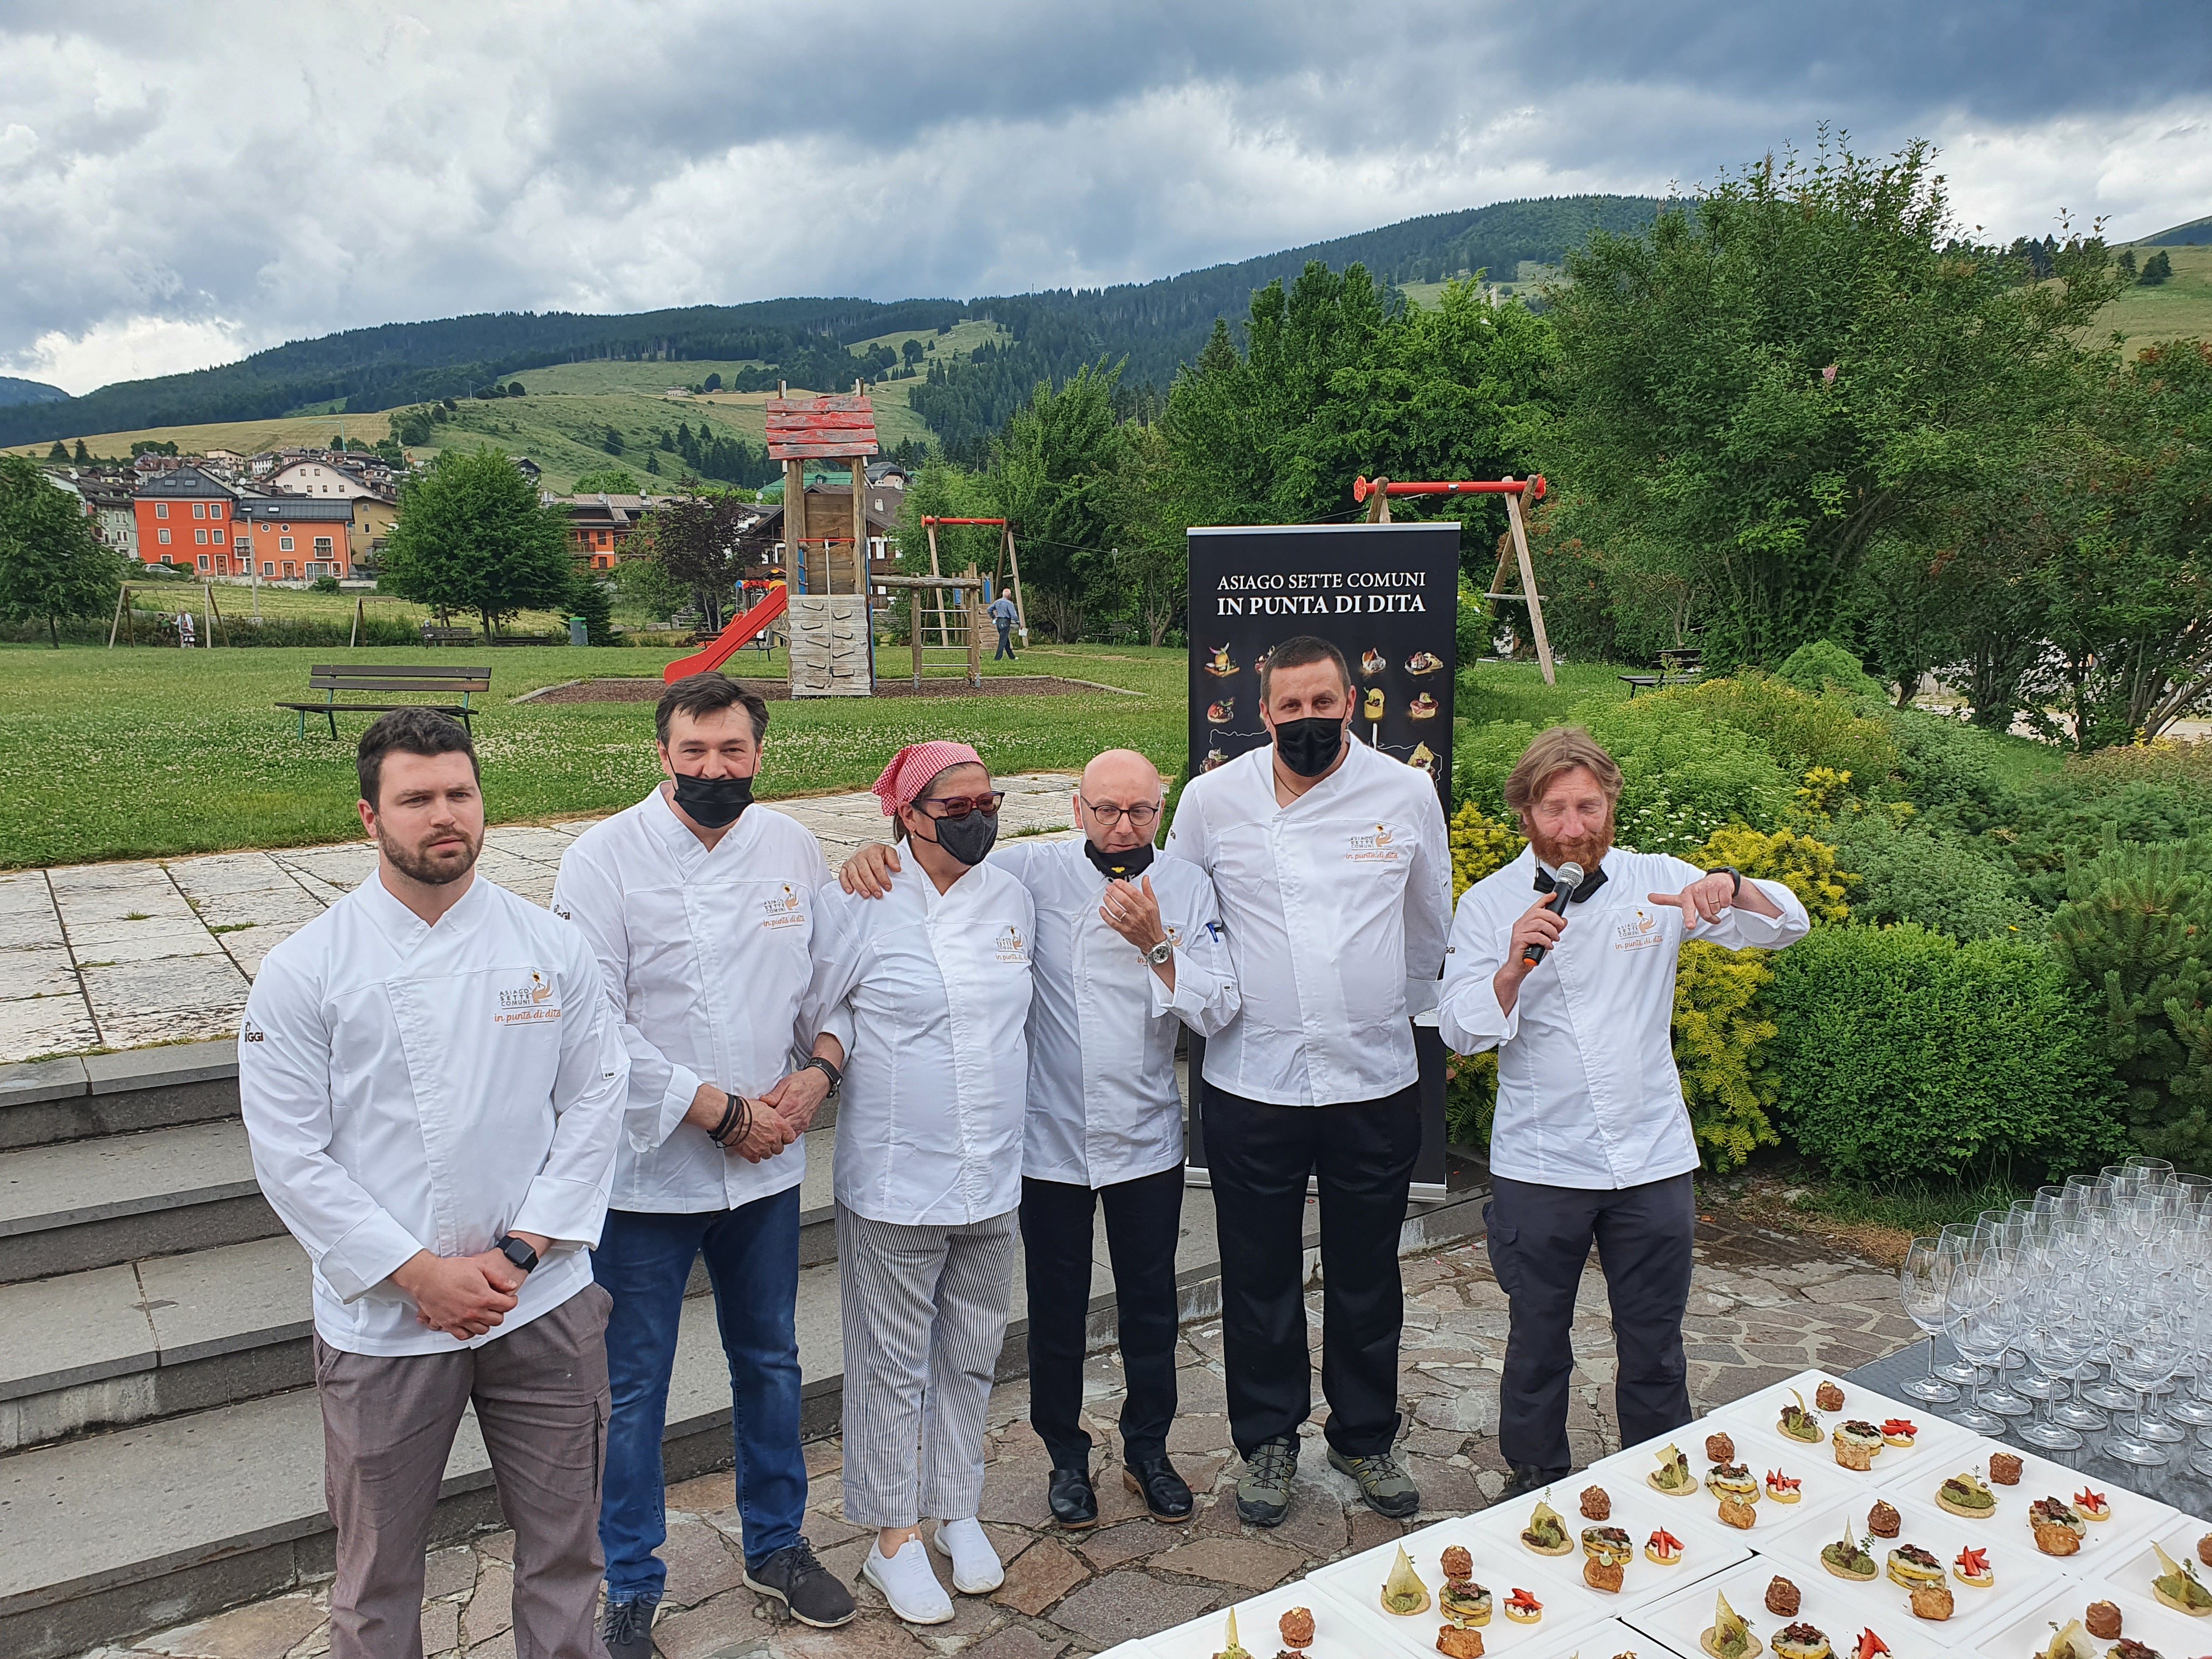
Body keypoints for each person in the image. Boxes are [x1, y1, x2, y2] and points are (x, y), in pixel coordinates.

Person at [236, 709, 629, 1659]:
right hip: (384, 1322)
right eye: (416, 798)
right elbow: (290, 1154)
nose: (442, 814)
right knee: (377, 1571)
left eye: (459, 791)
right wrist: (419, 1273)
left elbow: (596, 1103)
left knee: (566, 1549)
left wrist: (521, 1248)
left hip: (541, 1300)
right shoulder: (306, 970)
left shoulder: (550, 945)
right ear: (369, 817)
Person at [837, 749, 1240, 1528]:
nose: (1122, 827)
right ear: (1076, 807)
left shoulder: (1187, 885)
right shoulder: (1028, 870)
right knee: (1055, 1310)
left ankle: (1149, 1451)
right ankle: (1066, 1455)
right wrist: (873, 854)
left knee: (1151, 1307)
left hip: (1144, 1136)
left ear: (1163, 811)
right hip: (1046, 1137)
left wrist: (1159, 944)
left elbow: (1219, 1009)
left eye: (1141, 812)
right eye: (1105, 811)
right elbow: (940, 861)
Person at [549, 675, 855, 1656]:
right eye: (695, 751)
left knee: (770, 1361)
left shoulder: (792, 848)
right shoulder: (602, 860)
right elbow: (592, 1026)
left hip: (766, 1171)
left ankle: (778, 1543)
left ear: (759, 752)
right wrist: (720, 1111)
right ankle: (630, 1581)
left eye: (732, 750)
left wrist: (814, 1077)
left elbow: (830, 987)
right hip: (646, 1177)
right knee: (631, 1389)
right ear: (662, 753)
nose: (714, 768)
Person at [1437, 727, 1810, 1495]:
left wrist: (1731, 886)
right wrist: (1511, 968)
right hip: (1542, 1162)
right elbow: (1462, 1032)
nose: (1573, 826)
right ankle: (1535, 1478)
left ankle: (1659, 1475)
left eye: (1588, 806)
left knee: (1655, 1339)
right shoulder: (1488, 905)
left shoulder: (1659, 880)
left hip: (1651, 1157)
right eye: (1555, 810)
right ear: (1526, 814)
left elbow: (1787, 927)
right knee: (1538, 1339)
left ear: (1610, 804)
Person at [1162, 635, 1451, 1527]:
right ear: (1264, 710)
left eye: (1323, 703)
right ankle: (1268, 1440)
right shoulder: (1212, 800)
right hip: (1253, 1079)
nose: (1307, 720)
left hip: (1372, 1077)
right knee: (1258, 1274)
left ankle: (1364, 1433)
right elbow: (1180, 910)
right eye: (1290, 706)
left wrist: (1378, 1008)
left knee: (1368, 1272)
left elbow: (1426, 922)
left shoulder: (1403, 792)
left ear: (1355, 701)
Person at [802, 742, 1036, 1625]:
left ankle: (957, 1508)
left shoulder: (1011, 895)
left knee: (972, 1351)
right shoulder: (858, 898)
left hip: (993, 1173)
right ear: (908, 816)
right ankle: (891, 1536)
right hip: (897, 1177)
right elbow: (817, 1008)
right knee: (890, 1365)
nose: (979, 817)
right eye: (958, 805)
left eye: (990, 798)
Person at [988, 591, 1018, 661]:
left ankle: (1012, 656)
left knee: (1005, 639)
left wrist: (994, 617)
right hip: (1006, 621)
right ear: (1009, 596)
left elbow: (989, 609)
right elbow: (1014, 615)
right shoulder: (1009, 603)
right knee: (1003, 640)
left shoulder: (997, 602)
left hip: (999, 622)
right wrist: (1019, 623)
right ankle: (998, 657)